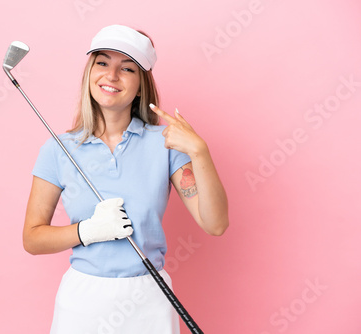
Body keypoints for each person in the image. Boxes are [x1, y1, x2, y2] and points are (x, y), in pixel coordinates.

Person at [23, 24, 229, 334]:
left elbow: (215, 224)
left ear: (140, 83)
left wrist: (200, 151)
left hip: (149, 298)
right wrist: (88, 231)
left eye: (127, 68)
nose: (112, 75)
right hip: (83, 301)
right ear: (89, 72)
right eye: (102, 62)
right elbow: (33, 239)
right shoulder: (58, 149)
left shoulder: (166, 143)